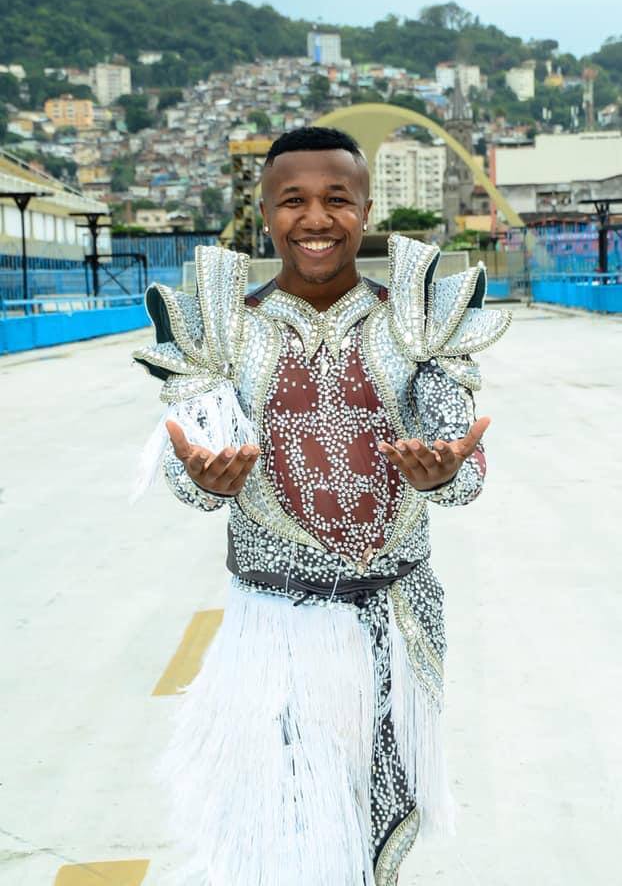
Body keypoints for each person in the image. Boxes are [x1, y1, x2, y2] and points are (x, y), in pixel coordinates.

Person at [132, 127, 511, 886]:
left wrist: (441, 473)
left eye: (337, 199)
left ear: (366, 211)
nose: (315, 218)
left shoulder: (418, 324)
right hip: (275, 625)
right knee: (292, 832)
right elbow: (190, 460)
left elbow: (464, 470)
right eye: (293, 200)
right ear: (265, 213)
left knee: (375, 832)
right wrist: (206, 480)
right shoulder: (222, 329)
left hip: (397, 620)